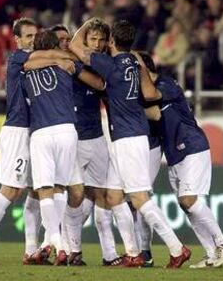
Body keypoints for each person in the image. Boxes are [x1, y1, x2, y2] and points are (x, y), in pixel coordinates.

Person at [69, 19, 191, 268]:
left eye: (106, 40)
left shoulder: (110, 65)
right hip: (126, 136)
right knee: (114, 196)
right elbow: (149, 94)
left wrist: (88, 24)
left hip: (129, 137)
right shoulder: (135, 64)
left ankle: (177, 249)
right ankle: (133, 253)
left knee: (139, 198)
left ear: (112, 41)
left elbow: (74, 45)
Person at [0, 18, 74, 264]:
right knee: (12, 188)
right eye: (27, 36)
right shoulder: (18, 58)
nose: (31, 40)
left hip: (36, 131)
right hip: (17, 129)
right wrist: (60, 58)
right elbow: (39, 62)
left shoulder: (37, 57)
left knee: (37, 191)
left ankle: (31, 250)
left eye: (34, 35)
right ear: (17, 39)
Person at [136, 51, 223, 269]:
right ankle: (211, 253)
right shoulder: (147, 92)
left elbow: (154, 109)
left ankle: (222, 241)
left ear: (145, 69)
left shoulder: (167, 84)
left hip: (192, 146)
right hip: (174, 154)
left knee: (189, 199)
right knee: (185, 204)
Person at [24, 30, 104, 266]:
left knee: (45, 190)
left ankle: (58, 245)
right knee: (59, 188)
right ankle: (51, 243)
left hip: (42, 132)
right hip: (68, 131)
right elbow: (98, 83)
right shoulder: (67, 63)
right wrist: (62, 59)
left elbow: (30, 63)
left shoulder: (27, 64)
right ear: (54, 46)